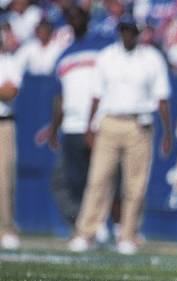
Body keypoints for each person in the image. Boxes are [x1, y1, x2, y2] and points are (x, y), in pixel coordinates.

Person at [68, 14, 172, 255]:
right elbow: (96, 94)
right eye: (123, 30)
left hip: (139, 125)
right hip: (109, 123)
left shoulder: (151, 58)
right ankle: (86, 232)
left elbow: (162, 97)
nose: (127, 35)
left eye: (131, 30)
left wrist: (167, 132)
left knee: (134, 185)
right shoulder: (106, 57)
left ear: (138, 32)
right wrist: (89, 126)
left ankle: (127, 234)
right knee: (97, 180)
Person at [36, 6, 115, 231]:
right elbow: (59, 97)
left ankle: (101, 225)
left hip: (99, 123)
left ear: (87, 19)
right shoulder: (64, 55)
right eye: (71, 17)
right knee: (68, 181)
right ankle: (83, 225)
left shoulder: (102, 47)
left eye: (79, 16)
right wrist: (53, 128)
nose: (75, 20)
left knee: (100, 179)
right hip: (71, 126)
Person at [0, 34, 22, 250]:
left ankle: (6, 228)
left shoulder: (9, 62)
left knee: (4, 181)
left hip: (3, 124)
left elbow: (9, 92)